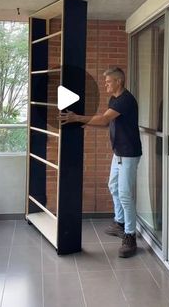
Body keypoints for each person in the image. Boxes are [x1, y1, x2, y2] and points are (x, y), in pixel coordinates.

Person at [58, 67, 142, 258]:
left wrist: (77, 118)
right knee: (113, 187)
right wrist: (81, 124)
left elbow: (104, 120)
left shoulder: (125, 100)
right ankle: (120, 223)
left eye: (108, 81)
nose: (105, 84)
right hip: (119, 152)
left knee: (125, 195)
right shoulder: (114, 99)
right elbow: (109, 124)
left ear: (119, 82)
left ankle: (130, 236)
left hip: (128, 154)